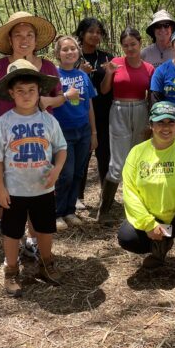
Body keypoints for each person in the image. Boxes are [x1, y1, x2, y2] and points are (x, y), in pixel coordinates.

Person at [0, 11, 71, 259]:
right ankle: (13, 251)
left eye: (29, 35)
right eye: (18, 35)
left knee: (39, 192)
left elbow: (60, 98)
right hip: (8, 139)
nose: (24, 39)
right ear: (10, 39)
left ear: (35, 39)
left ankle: (34, 244)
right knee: (12, 195)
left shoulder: (49, 67)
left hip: (40, 136)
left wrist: (43, 101)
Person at [0, 59, 67, 297]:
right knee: (12, 232)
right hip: (14, 190)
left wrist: (57, 169)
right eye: (20, 91)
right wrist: (0, 188)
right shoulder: (4, 123)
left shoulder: (48, 120)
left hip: (43, 188)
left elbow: (61, 148)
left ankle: (46, 264)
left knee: (44, 229)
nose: (26, 95)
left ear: (39, 91)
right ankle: (11, 271)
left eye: (31, 90)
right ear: (11, 93)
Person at [117, 101, 175, 301]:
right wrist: (148, 223)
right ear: (151, 125)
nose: (166, 127)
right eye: (160, 122)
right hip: (155, 218)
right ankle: (160, 247)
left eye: (171, 122)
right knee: (128, 236)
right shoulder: (137, 153)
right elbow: (130, 193)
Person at [97, 27, 155, 225]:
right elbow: (104, 90)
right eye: (126, 45)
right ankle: (104, 210)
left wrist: (152, 122)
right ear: (121, 47)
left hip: (141, 110)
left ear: (140, 44)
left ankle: (138, 207)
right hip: (119, 110)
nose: (130, 48)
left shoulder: (149, 68)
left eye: (133, 44)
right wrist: (109, 73)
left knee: (140, 159)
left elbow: (151, 97)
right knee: (118, 162)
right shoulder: (116, 64)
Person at [52, 35, 97, 230]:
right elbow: (48, 102)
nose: (70, 52)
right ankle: (57, 212)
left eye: (73, 49)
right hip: (62, 131)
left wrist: (94, 132)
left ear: (78, 51)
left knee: (78, 172)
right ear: (58, 54)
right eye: (65, 49)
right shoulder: (54, 75)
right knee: (65, 174)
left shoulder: (83, 76)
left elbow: (89, 105)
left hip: (83, 131)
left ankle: (70, 210)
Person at [74, 18, 114, 207]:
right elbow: (65, 85)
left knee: (104, 155)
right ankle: (77, 196)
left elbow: (107, 89)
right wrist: (80, 71)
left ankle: (105, 196)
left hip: (104, 113)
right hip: (79, 114)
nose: (95, 35)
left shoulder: (107, 57)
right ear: (82, 33)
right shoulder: (72, 55)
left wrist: (109, 73)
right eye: (91, 31)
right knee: (81, 155)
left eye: (98, 32)